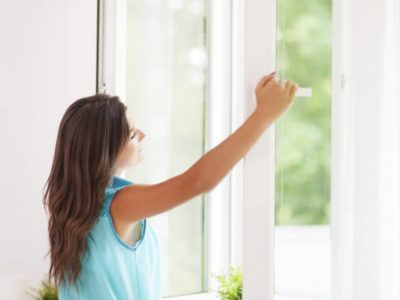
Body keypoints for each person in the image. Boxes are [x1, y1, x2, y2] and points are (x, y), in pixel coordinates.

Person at [42, 71, 298, 299]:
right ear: (104, 151)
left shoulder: (72, 207)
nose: (143, 135)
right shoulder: (120, 205)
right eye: (132, 133)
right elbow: (197, 182)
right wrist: (263, 116)